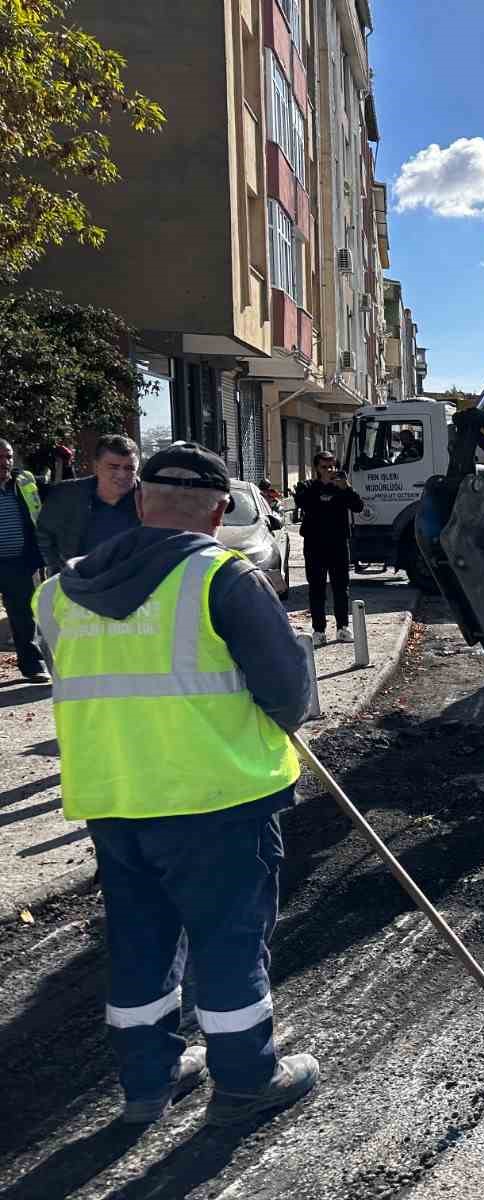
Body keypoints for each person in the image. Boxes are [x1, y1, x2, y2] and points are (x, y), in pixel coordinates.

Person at [31, 443, 318, 1127]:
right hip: (218, 799)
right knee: (228, 941)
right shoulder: (225, 578)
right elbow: (290, 695)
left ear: (139, 502)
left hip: (115, 800)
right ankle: (246, 1077)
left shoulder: (55, 596)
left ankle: (148, 1081)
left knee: (139, 941)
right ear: (219, 511)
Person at [35, 433, 140, 574]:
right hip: (78, 586)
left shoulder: (150, 500)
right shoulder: (67, 495)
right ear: (96, 466)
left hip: (133, 586)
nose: (122, 475)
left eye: (129, 468)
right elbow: (44, 534)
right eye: (114, 467)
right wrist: (57, 569)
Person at [292, 451, 363, 646]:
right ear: (317, 468)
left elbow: (358, 506)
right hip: (315, 545)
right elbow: (303, 502)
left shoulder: (342, 487)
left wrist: (346, 488)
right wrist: (323, 489)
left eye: (332, 466)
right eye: (324, 467)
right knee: (317, 589)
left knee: (341, 587)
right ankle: (319, 630)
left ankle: (342, 627)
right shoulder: (307, 487)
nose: (329, 470)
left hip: (339, 544)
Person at [0, 438, 49, 682]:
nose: (5, 462)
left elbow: (57, 490)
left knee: (23, 615)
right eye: (0, 457)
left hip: (19, 562)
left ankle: (33, 666)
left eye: (8, 456)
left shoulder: (24, 481)